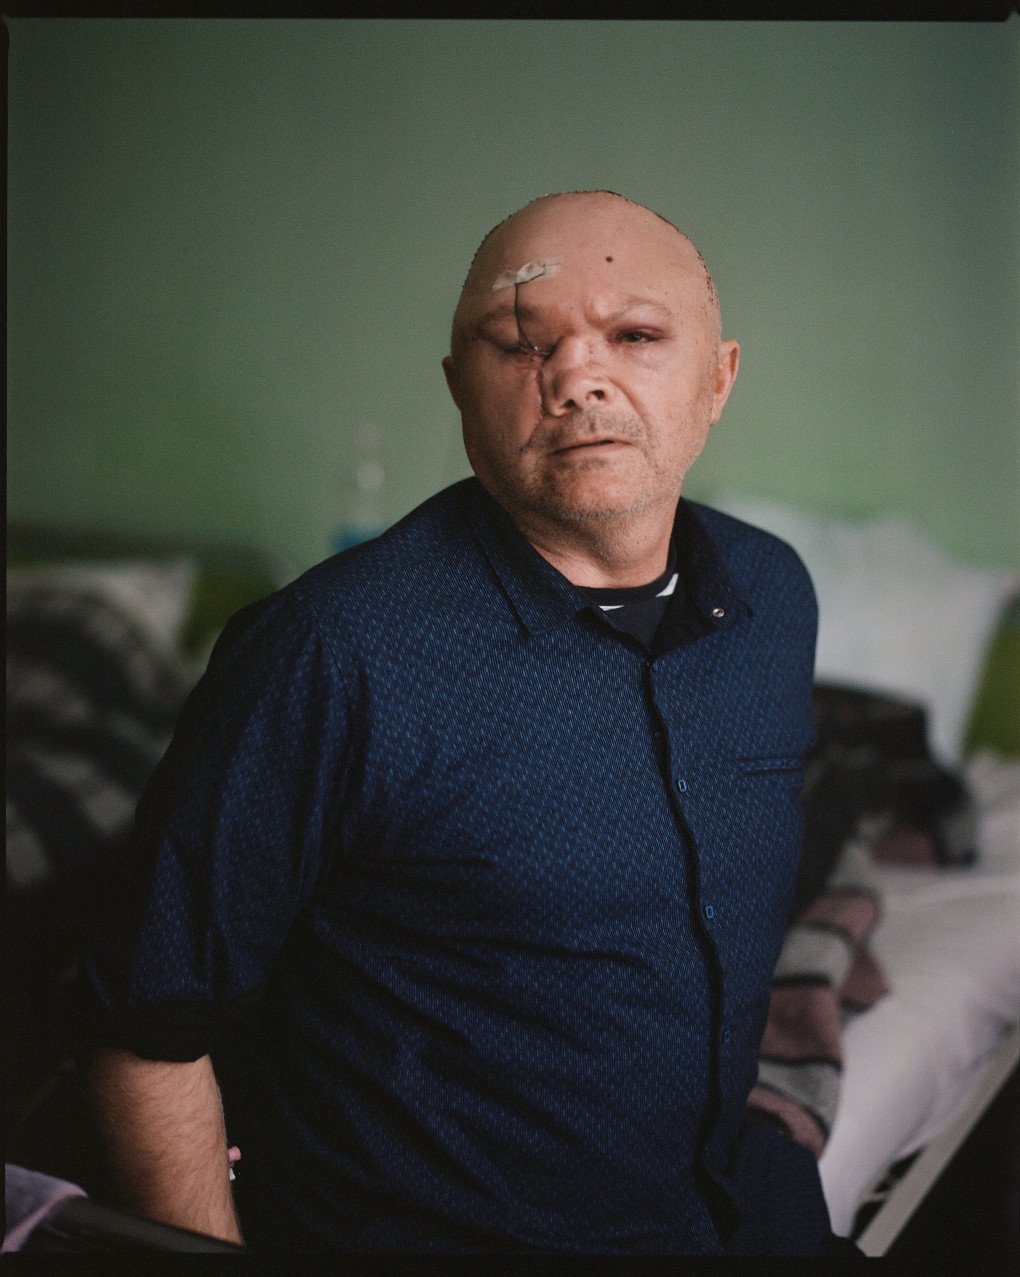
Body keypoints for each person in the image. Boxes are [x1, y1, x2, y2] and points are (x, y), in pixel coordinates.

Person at [83, 190, 845, 1255]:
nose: (577, 376)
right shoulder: (329, 652)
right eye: (521, 344)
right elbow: (143, 1031)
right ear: (459, 390)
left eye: (635, 335)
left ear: (717, 378)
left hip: (737, 1221)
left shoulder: (773, 595)